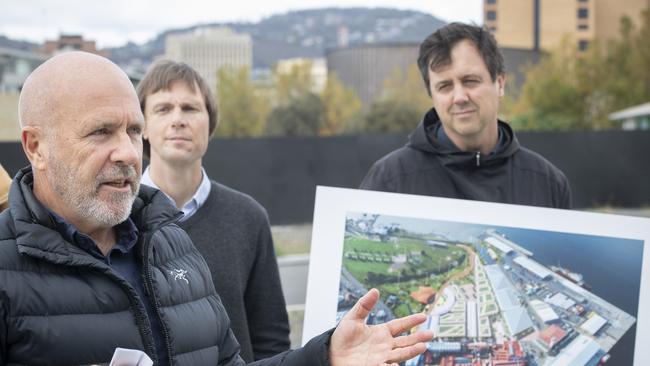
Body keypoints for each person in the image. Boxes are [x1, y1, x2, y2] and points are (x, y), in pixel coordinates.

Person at [0, 51, 432, 365]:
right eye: (100, 132)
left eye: (133, 131)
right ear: (36, 147)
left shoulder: (171, 244)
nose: (127, 153)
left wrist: (325, 357)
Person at [137, 60, 289, 362]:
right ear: (141, 126)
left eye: (191, 108)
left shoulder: (249, 217)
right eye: (163, 108)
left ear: (210, 123)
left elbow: (271, 339)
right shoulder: (115, 216)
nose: (178, 119)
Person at [360, 23, 572, 209]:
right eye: (445, 86)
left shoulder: (548, 182)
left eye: (470, 81)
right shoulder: (390, 180)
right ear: (432, 95)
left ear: (499, 83)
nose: (459, 97)